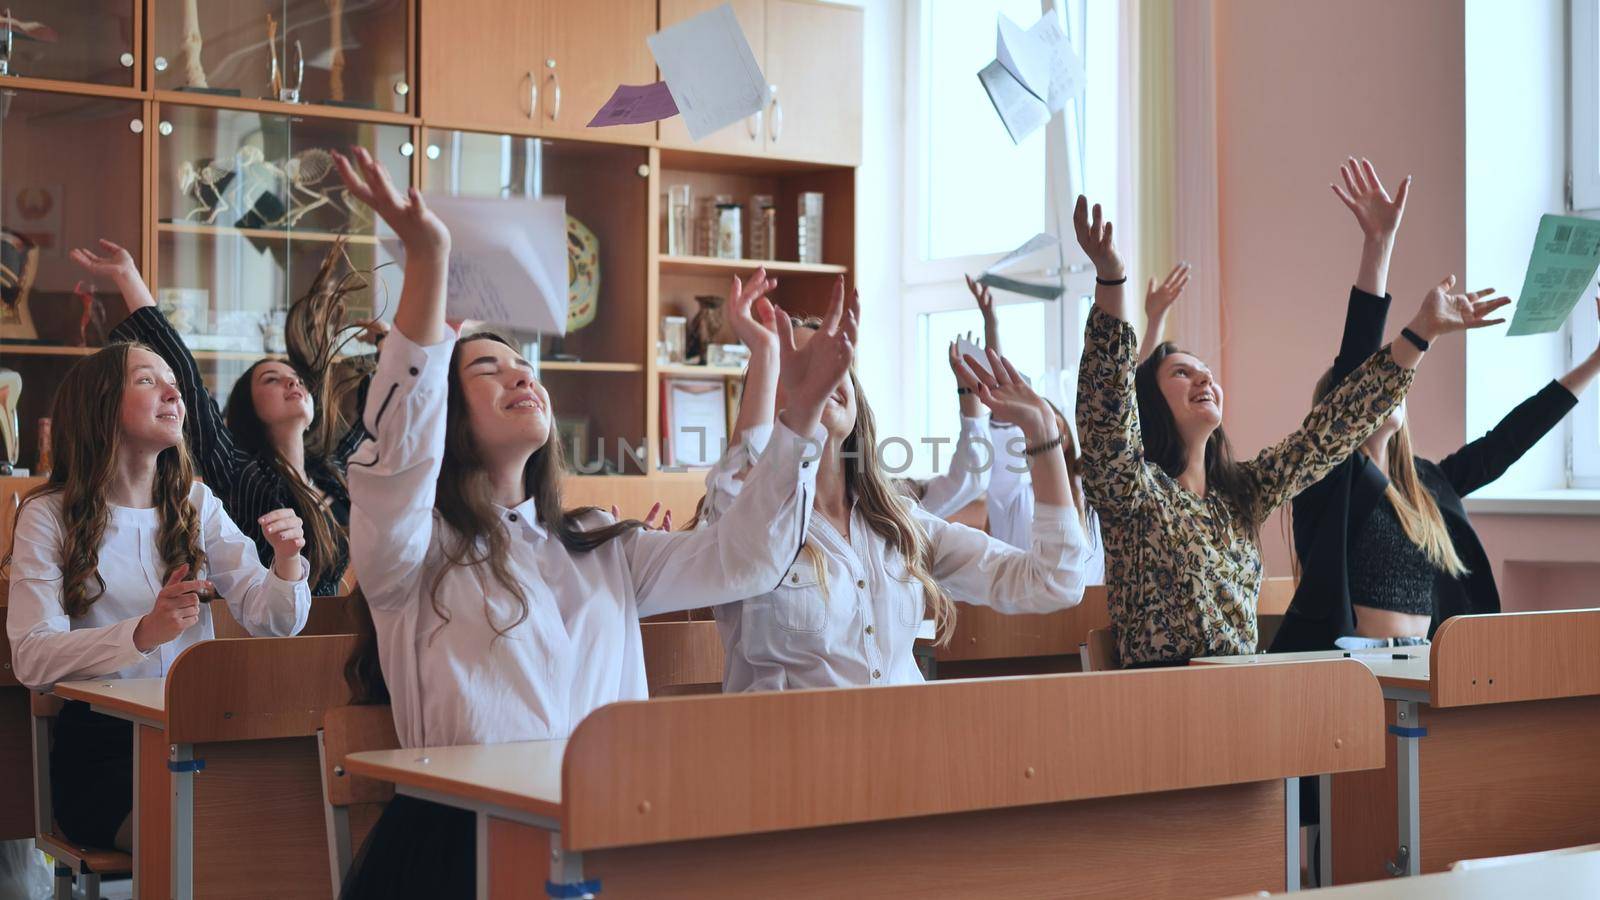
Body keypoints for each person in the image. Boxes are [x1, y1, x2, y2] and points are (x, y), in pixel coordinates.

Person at [328, 148, 849, 898]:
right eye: (487, 370)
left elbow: (746, 561)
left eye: (525, 367)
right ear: (447, 409)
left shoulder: (599, 541)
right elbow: (401, 456)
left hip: (610, 829)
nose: (520, 374)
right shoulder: (410, 551)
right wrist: (428, 261)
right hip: (467, 843)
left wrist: (797, 419)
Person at [1071, 192, 1510, 666]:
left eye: (1206, 371)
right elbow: (1106, 408)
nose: (1204, 378)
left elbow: (1330, 431)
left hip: (1243, 700)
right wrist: (1112, 279)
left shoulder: (1241, 493)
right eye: (1181, 373)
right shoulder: (1133, 493)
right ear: (1151, 405)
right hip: (1167, 709)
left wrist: (1420, 333)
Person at [699, 274, 1092, 691]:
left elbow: (1057, 580)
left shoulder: (901, 524)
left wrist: (1043, 433)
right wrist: (764, 356)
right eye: (794, 365)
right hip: (794, 751)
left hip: (905, 744)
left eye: (831, 363)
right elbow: (737, 493)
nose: (818, 377)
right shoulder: (744, 519)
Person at [1273, 158, 1600, 652]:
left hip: (1426, 666)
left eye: (1391, 387)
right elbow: (1356, 371)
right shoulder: (1325, 481)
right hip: (1347, 669)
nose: (1386, 391)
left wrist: (1595, 361)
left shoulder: (1428, 483)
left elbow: (1507, 442)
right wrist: (1378, 246)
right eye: (1373, 389)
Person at [5, 343, 310, 851]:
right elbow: (32, 657)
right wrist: (143, 634)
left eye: (173, 381)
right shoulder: (47, 514)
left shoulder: (197, 502)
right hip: (107, 752)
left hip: (206, 733)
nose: (174, 392)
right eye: (148, 380)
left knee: (290, 833)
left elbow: (273, 620)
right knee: (211, 845)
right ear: (100, 405)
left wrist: (285, 561)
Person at [74, 238, 380, 595]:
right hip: (266, 637)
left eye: (294, 377)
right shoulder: (239, 471)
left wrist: (388, 350)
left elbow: (377, 422)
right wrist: (129, 277)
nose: (290, 381)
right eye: (271, 379)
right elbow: (186, 379)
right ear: (248, 407)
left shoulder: (330, 473)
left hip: (331, 636)